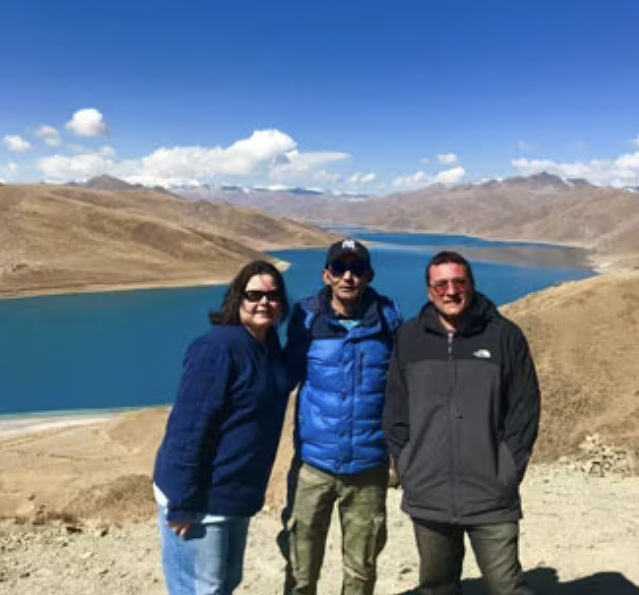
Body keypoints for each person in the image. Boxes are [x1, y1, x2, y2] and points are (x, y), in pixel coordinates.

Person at [384, 250, 541, 595]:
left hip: (490, 493)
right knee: (437, 586)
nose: (451, 291)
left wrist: (506, 469)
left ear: (471, 285)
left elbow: (524, 410)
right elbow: (395, 410)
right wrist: (407, 464)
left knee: (506, 586)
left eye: (459, 282)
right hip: (428, 492)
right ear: (429, 291)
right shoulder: (409, 339)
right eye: (441, 284)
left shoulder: (504, 336)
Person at [153, 260, 293, 595]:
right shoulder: (217, 348)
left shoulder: (267, 346)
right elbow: (187, 429)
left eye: (273, 296)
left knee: (225, 583)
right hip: (201, 498)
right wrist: (182, 502)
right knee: (202, 589)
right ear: (237, 298)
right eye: (254, 294)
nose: (264, 302)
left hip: (235, 496)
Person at [283, 238, 402, 595]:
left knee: (361, 570)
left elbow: (406, 387)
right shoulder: (306, 320)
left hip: (368, 468)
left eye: (357, 269)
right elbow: (281, 377)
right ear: (327, 275)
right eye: (339, 268)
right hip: (313, 466)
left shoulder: (389, 321)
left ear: (369, 275)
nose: (348, 277)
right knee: (300, 569)